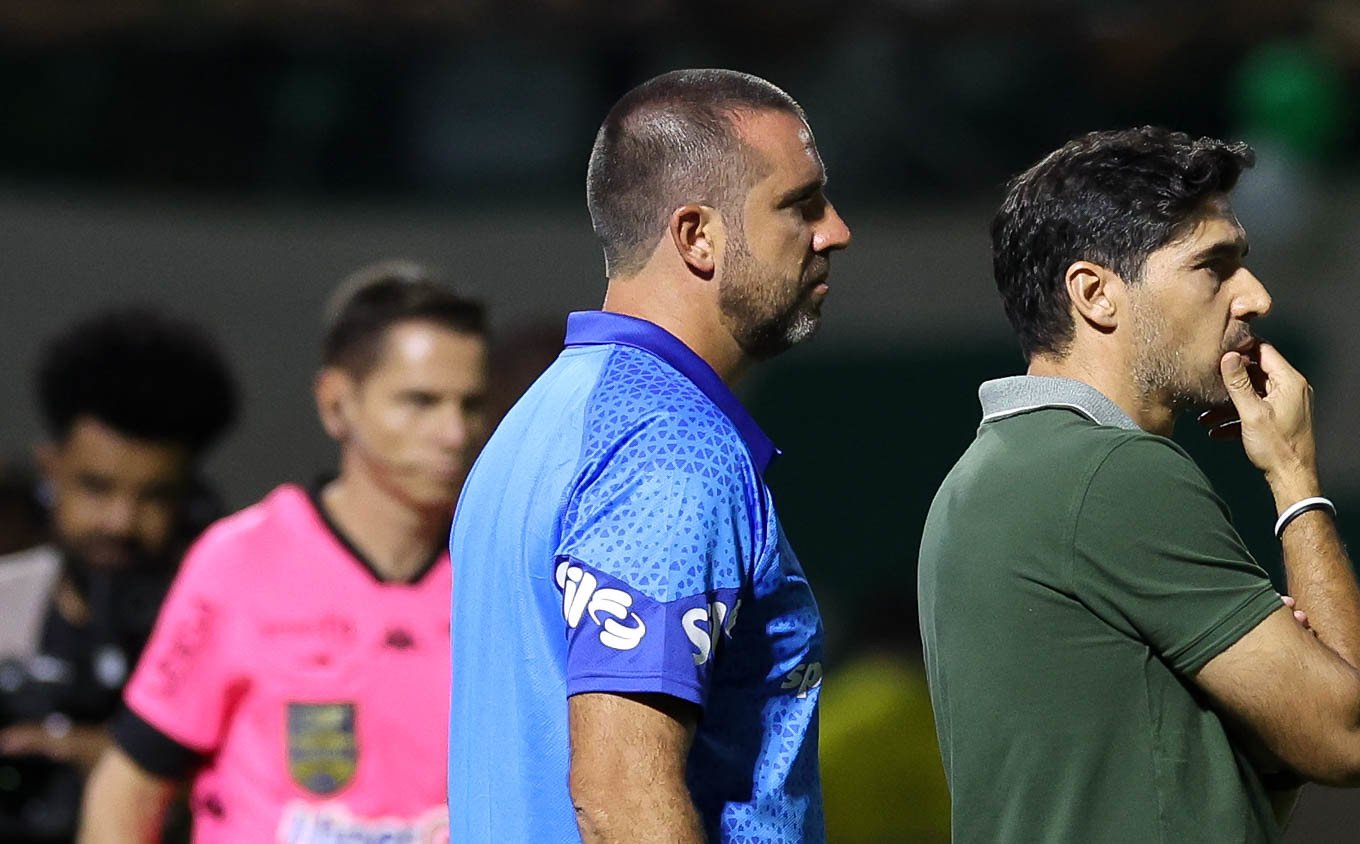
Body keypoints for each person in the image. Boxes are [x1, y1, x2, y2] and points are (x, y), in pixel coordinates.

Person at [917, 127, 1360, 843]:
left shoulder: (980, 477)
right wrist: (1294, 475)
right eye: (1213, 267)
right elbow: (1346, 739)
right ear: (1096, 294)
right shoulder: (1110, 473)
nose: (1255, 296)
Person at [448, 68, 851, 842]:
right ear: (697, 236)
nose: (835, 230)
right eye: (800, 204)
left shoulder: (543, 417)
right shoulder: (669, 446)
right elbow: (621, 797)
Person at [78, 263, 490, 843]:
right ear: (336, 403)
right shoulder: (239, 563)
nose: (453, 433)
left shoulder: (500, 572)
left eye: (469, 405)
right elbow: (130, 785)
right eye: (419, 402)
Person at [0, 309, 237, 844]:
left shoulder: (223, 628)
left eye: (154, 496)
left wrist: (139, 770)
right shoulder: (6, 605)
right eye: (96, 486)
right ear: (50, 467)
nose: (120, 521)